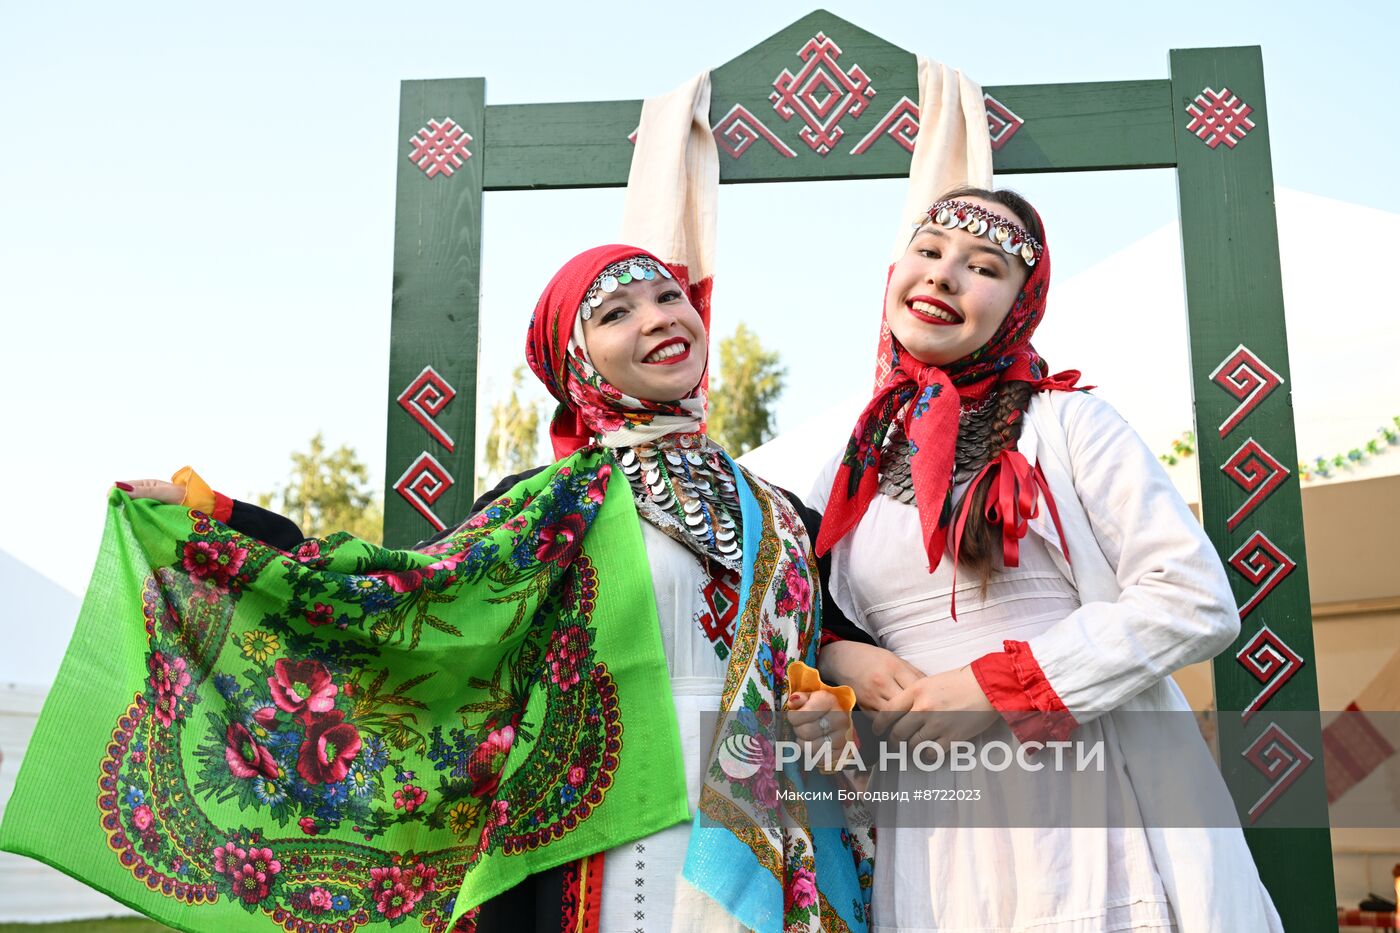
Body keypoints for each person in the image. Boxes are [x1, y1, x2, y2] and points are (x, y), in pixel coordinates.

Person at [110, 243, 873, 933]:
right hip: (615, 824)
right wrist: (221, 520)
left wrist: (835, 697)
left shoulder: (779, 511)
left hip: (771, 821)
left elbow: (832, 647)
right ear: (575, 362)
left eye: (668, 296)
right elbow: (399, 596)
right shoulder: (553, 505)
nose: (657, 317)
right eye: (615, 312)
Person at [792, 188, 1284, 931]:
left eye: (982, 266)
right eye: (927, 252)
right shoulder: (847, 468)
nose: (943, 276)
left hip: (1075, 799)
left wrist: (998, 688)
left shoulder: (1071, 423)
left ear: (1023, 305)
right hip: (926, 823)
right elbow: (788, 612)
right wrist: (841, 658)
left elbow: (1192, 598)